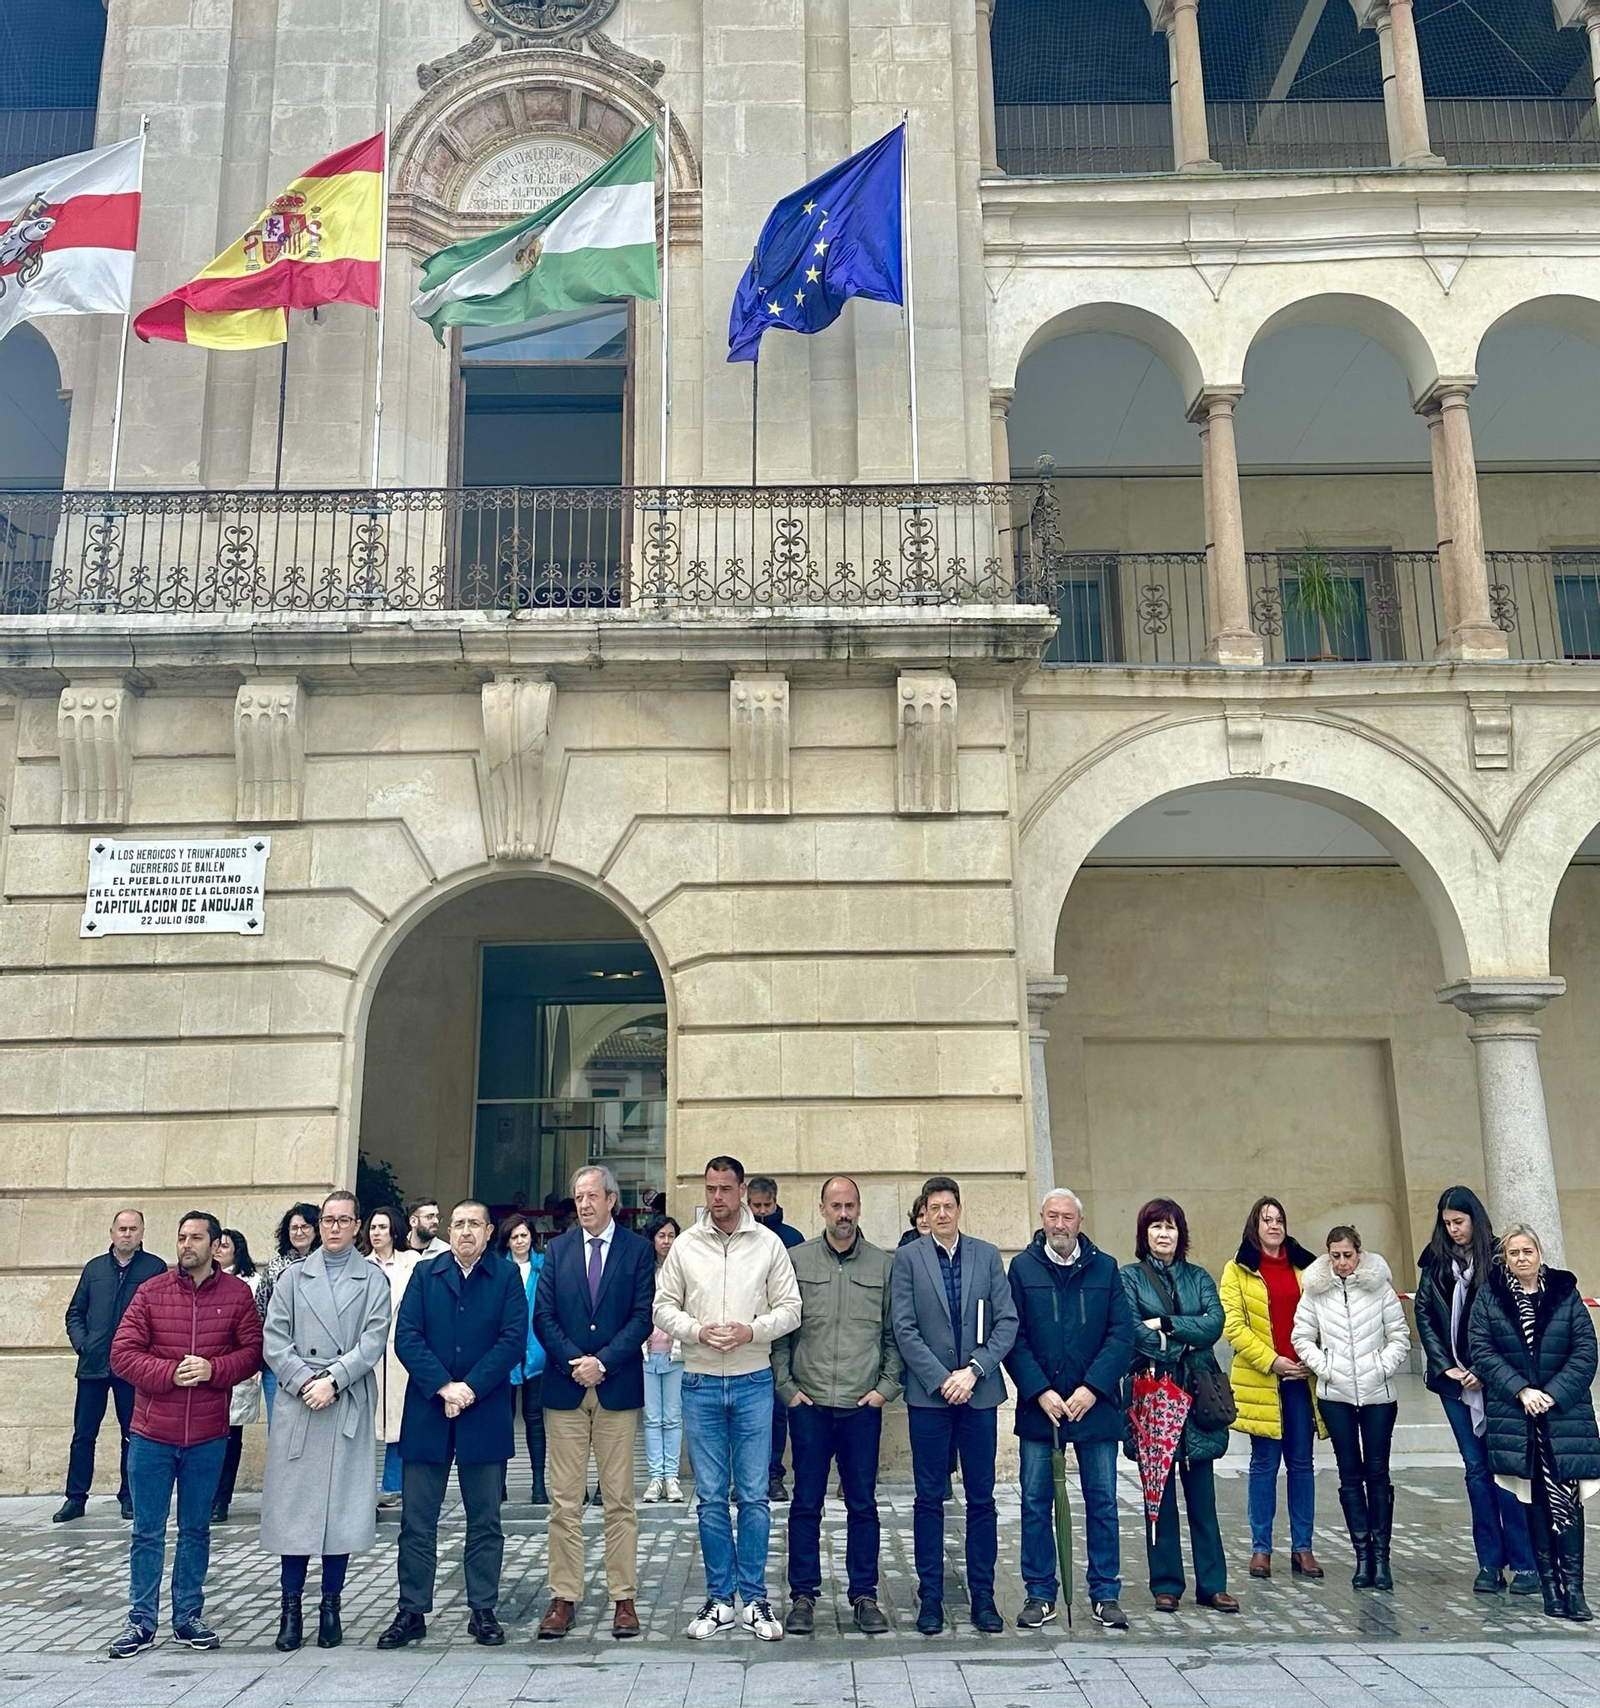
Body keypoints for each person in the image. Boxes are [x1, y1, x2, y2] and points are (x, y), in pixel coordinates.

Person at [653, 1155, 802, 1643]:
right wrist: (696, 1331)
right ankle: (720, 1598)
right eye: (710, 1189)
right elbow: (662, 1307)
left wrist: (751, 1330)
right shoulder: (686, 1246)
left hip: (753, 1380)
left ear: (741, 1191)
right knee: (711, 1497)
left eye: (725, 1189)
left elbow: (791, 1309)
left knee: (755, 1495)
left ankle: (755, 1598)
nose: (717, 1197)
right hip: (699, 1382)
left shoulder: (768, 1244)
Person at [106, 1211, 263, 1660]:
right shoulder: (151, 1291)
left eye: (196, 1238)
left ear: (215, 1245)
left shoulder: (236, 1295)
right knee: (147, 1532)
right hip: (152, 1434)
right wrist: (170, 1373)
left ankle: (188, 1616)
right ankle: (140, 1620)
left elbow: (253, 1352)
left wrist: (215, 1369)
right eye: (181, 1237)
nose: (186, 1245)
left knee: (196, 1530)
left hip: (208, 1436)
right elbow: (122, 1354)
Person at [377, 1199, 526, 1650]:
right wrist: (444, 1386)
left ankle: (483, 1610)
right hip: (429, 1410)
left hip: (484, 1412)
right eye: (458, 1224)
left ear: (489, 1231)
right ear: (449, 1230)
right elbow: (406, 1337)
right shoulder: (426, 1274)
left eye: (474, 1224)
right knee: (417, 1521)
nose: (465, 1231)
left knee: (485, 1520)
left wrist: (469, 1389)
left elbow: (512, 1340)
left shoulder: (505, 1277)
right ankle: (412, 1611)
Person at [260, 1191, 393, 1652]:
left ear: (357, 1226)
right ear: (319, 1225)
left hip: (346, 1398)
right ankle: (290, 1608)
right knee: (294, 1512)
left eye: (343, 1220)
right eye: (327, 1220)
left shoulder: (373, 1279)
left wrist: (333, 1380)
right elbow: (274, 1339)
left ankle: (331, 1607)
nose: (334, 1228)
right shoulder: (293, 1278)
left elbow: (373, 1340)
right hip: (300, 1403)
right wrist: (304, 1381)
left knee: (341, 1511)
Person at [774, 1175, 902, 1636]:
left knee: (862, 1504)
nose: (843, 1214)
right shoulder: (797, 1260)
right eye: (835, 1206)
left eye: (850, 1206)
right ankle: (803, 1596)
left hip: (860, 1405)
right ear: (822, 1209)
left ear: (859, 1209)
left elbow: (894, 1335)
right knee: (806, 1503)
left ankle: (864, 1596)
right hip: (808, 1404)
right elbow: (781, 1332)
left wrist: (885, 1389)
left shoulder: (884, 1265)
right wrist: (786, 1388)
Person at [893, 1173, 1019, 1637]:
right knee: (929, 1498)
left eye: (949, 1206)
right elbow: (904, 1327)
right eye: (934, 1208)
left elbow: (1006, 1321)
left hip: (978, 1393)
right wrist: (941, 1378)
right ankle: (930, 1595)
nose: (942, 1214)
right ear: (924, 1214)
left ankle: (983, 1594)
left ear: (959, 1209)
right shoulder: (908, 1259)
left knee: (981, 1497)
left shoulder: (986, 1255)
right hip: (930, 1397)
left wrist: (974, 1371)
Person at [533, 1165, 655, 1641]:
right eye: (578, 1196)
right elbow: (543, 1317)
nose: (583, 1204)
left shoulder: (637, 1250)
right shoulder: (557, 1249)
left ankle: (623, 1598)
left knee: (619, 1500)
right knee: (564, 1501)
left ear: (610, 1200)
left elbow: (642, 1317)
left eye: (591, 1196)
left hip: (616, 1387)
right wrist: (575, 1363)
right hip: (565, 1389)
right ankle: (564, 1597)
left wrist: (602, 1362)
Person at [1005, 1187, 1131, 1632]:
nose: (1059, 1225)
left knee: (1103, 1502)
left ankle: (1105, 1594)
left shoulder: (1105, 1267)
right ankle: (1040, 1594)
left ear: (1080, 1221)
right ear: (1042, 1219)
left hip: (1094, 1406)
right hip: (1041, 1408)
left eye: (1067, 1217)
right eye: (1052, 1216)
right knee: (1036, 1502)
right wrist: (1039, 1391)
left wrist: (1092, 1388)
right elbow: (1013, 1336)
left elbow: (1122, 1335)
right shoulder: (1022, 1269)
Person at [1470, 1223, 1600, 1622]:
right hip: (1518, 1414)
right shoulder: (1490, 1296)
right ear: (1504, 1258)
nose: (1521, 1258)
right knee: (1534, 1500)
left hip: (1563, 1414)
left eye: (1528, 1251)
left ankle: (1574, 1590)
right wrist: (1522, 1391)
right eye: (1514, 1253)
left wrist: (1553, 1394)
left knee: (1568, 1498)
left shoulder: (1563, 1292)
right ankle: (1550, 1589)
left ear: (1540, 1254)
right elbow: (1482, 1350)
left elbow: (1585, 1351)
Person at [1415, 1185, 1539, 1595]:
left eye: (1460, 1221)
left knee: (1506, 1469)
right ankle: (1489, 1563)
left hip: (1496, 1382)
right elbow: (1425, 1315)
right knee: (1476, 1471)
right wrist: (1445, 1365)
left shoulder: (1498, 1259)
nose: (1454, 1230)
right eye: (1447, 1223)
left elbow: (1507, 1321)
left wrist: (1483, 1370)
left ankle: (1525, 1564)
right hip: (1453, 1383)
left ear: (1474, 1218)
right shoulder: (1435, 1260)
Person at [1119, 1198, 1238, 1615]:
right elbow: (1133, 1330)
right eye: (1156, 1227)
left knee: (1203, 1499)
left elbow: (1214, 1324)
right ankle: (1166, 1584)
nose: (1163, 1234)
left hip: (1197, 1397)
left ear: (1180, 1233)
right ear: (1145, 1234)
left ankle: (1213, 1584)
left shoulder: (1199, 1277)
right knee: (1159, 1497)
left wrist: (1167, 1325)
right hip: (1153, 1396)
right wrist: (1182, 1343)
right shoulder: (1130, 1278)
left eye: (1170, 1226)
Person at [1291, 1225, 1410, 1590]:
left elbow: (1399, 1335)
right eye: (1335, 1256)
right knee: (1349, 1475)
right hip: (1336, 1395)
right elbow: (1301, 1336)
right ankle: (1362, 1556)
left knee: (1378, 1473)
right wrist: (1325, 1367)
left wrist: (1381, 1366)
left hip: (1378, 1396)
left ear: (1359, 1253)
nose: (1342, 1262)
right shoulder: (1316, 1290)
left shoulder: (1380, 1287)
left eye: (1347, 1255)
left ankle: (1381, 1557)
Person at [1220, 1196, 1324, 1580]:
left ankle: (1303, 1548)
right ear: (1255, 1226)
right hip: (1263, 1380)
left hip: (1301, 1380)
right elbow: (1234, 1326)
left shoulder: (1307, 1267)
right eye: (1267, 1220)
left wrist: (1311, 1359)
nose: (1274, 1226)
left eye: (1279, 1219)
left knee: (1302, 1465)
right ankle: (1261, 1549)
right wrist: (1272, 1360)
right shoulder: (1238, 1269)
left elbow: (1324, 1317)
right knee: (1264, 1465)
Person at [56, 1209, 166, 1524]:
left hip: (132, 1367)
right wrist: (84, 1344)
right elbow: (74, 1313)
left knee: (132, 1434)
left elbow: (160, 1315)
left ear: (142, 1233)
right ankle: (75, 1498)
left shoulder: (154, 1268)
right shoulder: (94, 1269)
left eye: (133, 1229)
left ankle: (129, 1497)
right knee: (83, 1435)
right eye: (122, 1229)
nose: (127, 1234)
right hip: (93, 1365)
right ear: (112, 1232)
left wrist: (146, 1354)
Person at [747, 1175, 806, 1502]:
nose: (761, 1212)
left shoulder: (792, 1238)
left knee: (777, 1412)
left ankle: (773, 1475)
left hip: (782, 1336)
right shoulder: (741, 1235)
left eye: (766, 1206)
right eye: (756, 1206)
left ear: (776, 1202)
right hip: (747, 1335)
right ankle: (745, 1476)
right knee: (745, 1413)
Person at [364, 1206, 420, 1509]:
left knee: (399, 1418)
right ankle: (364, 1486)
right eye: (373, 1227)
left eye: (382, 1227)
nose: (376, 1233)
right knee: (367, 1422)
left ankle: (393, 1484)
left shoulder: (412, 1262)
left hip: (402, 1351)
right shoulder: (361, 1265)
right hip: (370, 1353)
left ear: (394, 1230)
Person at [497, 1212, 548, 1505]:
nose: (519, 1241)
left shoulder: (544, 1267)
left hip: (537, 1352)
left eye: (524, 1235)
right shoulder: (497, 1269)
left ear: (532, 1237)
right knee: (503, 1420)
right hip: (505, 1354)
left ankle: (538, 1484)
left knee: (534, 1419)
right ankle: (500, 1484)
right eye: (514, 1237)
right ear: (506, 1241)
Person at [212, 1229, 263, 1524]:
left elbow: (258, 1326)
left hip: (239, 1368)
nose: (219, 1250)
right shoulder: (205, 1278)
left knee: (231, 1437)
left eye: (225, 1246)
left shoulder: (252, 1282)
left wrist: (256, 1363)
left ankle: (222, 1498)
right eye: (217, 1245)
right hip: (210, 1368)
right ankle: (207, 1495)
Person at [256, 1203, 320, 1426]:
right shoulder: (275, 1267)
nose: (299, 1232)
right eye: (294, 1228)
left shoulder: (328, 1264)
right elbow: (260, 1312)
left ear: (316, 1229)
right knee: (279, 1427)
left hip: (318, 1360)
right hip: (278, 1360)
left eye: (305, 1226)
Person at [642, 1215, 685, 1504]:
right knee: (651, 1418)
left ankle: (672, 1477)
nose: (666, 1241)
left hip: (676, 1353)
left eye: (671, 1235)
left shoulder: (683, 1270)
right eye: (661, 1236)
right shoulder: (643, 1271)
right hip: (647, 1353)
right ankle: (655, 1477)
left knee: (672, 1418)